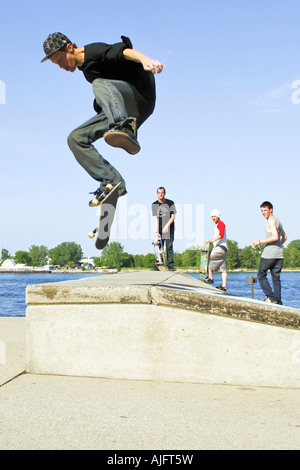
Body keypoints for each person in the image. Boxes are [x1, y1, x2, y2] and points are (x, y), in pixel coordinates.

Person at [41, 32, 163, 199]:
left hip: (140, 98)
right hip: (122, 107)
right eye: (57, 64)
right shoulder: (86, 71)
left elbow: (126, 52)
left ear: (69, 48)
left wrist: (145, 60)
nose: (61, 66)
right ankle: (112, 181)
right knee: (76, 138)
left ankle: (125, 127)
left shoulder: (95, 51)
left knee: (99, 84)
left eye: (60, 60)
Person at [253, 201, 287, 305]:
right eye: (262, 211)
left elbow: (275, 237)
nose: (263, 212)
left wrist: (259, 241)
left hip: (269, 254)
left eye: (265, 210)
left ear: (270, 209)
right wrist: (278, 246)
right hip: (279, 255)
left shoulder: (271, 221)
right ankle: (278, 301)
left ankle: (271, 298)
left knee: (260, 275)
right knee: (276, 279)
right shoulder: (278, 221)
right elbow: (284, 237)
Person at [152, 187, 176, 271]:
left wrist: (167, 225)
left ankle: (170, 266)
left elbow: (173, 216)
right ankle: (159, 264)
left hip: (169, 229)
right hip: (160, 229)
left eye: (162, 193)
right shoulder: (154, 204)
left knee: (169, 247)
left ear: (164, 193)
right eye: (159, 193)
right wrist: (156, 230)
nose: (160, 194)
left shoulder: (170, 203)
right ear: (157, 194)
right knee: (158, 247)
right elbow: (155, 218)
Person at [203, 209, 228, 291]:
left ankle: (210, 278)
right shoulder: (218, 224)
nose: (213, 218)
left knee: (208, 257)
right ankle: (224, 286)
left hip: (220, 247)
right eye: (211, 217)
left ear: (218, 216)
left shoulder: (220, 224)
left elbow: (221, 235)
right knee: (222, 267)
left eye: (214, 216)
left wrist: (211, 240)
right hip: (224, 249)